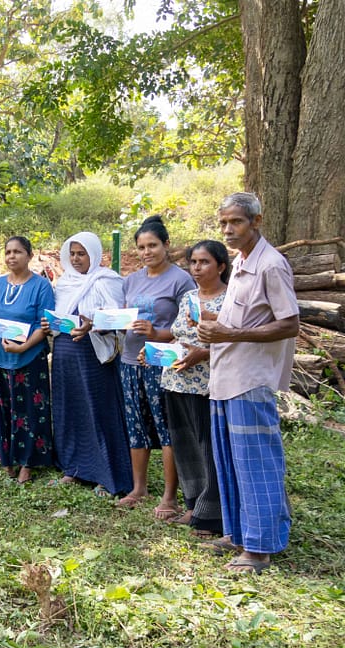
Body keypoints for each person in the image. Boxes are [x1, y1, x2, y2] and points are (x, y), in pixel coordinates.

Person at [198, 192, 299, 574]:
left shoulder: (271, 265)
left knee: (256, 463)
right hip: (226, 377)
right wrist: (216, 328)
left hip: (251, 380)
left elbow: (290, 323)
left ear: (256, 221)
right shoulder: (241, 262)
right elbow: (236, 324)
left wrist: (233, 334)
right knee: (230, 461)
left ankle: (259, 548)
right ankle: (240, 533)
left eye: (236, 222)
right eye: (223, 222)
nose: (228, 230)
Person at [43, 231, 131, 496]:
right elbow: (59, 316)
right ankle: (74, 468)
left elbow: (119, 319)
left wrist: (94, 324)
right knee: (69, 410)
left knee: (98, 411)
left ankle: (106, 474)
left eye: (81, 254)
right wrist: (51, 324)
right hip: (64, 355)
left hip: (94, 355)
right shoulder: (65, 283)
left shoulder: (107, 280)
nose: (76, 259)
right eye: (72, 253)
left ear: (94, 254)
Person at [151, 240, 229, 538]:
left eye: (204, 262)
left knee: (207, 445)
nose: (197, 268)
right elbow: (176, 335)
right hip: (176, 380)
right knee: (184, 445)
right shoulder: (188, 298)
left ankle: (211, 515)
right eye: (193, 262)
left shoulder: (230, 299)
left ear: (221, 266)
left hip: (207, 384)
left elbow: (235, 339)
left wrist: (203, 353)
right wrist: (155, 351)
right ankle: (193, 503)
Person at [117, 216, 195, 515]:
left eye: (152, 245)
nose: (146, 252)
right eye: (141, 247)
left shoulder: (181, 280)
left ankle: (170, 497)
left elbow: (188, 326)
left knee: (165, 427)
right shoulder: (131, 280)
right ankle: (138, 488)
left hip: (161, 363)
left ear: (166, 245)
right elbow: (124, 318)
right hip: (129, 361)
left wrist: (157, 334)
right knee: (136, 426)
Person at [0, 236, 55, 483]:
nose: (12, 257)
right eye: (8, 252)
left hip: (29, 358)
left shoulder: (41, 286)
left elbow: (45, 324)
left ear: (29, 255)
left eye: (18, 252)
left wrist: (23, 347)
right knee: (4, 410)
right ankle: (7, 460)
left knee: (30, 411)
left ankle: (28, 463)